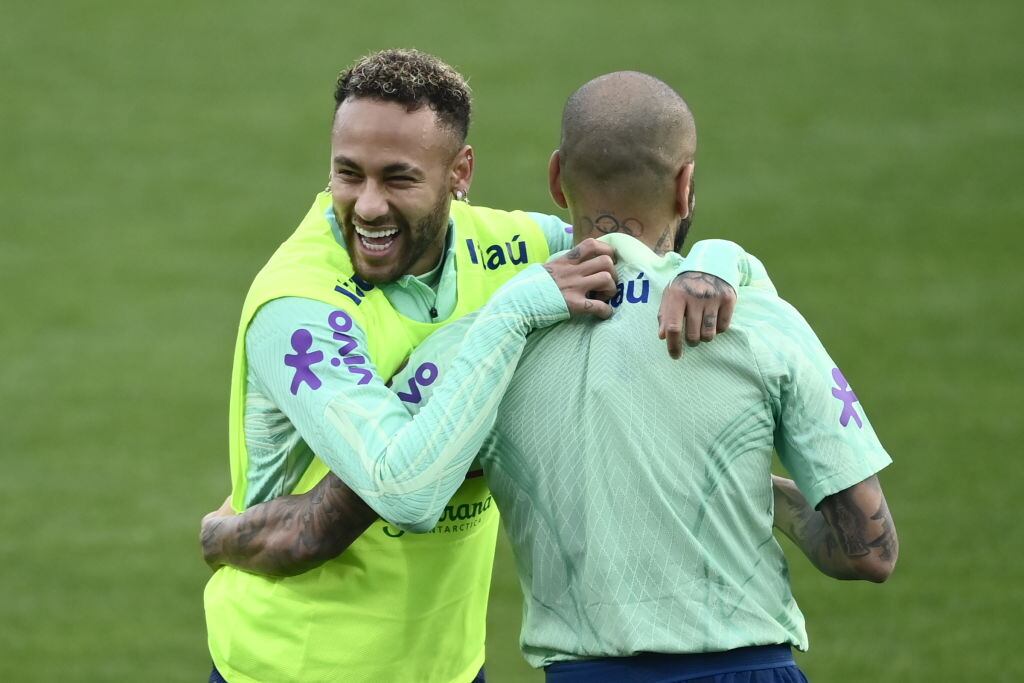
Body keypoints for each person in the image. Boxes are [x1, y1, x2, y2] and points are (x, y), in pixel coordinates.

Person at [210, 70, 898, 682]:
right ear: (688, 184)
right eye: (346, 173)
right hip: (295, 665)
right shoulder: (298, 307)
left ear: (463, 173)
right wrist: (217, 536)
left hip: (447, 665)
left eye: (398, 177)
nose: (366, 205)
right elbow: (399, 491)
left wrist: (719, 260)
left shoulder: (515, 250)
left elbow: (636, 256)